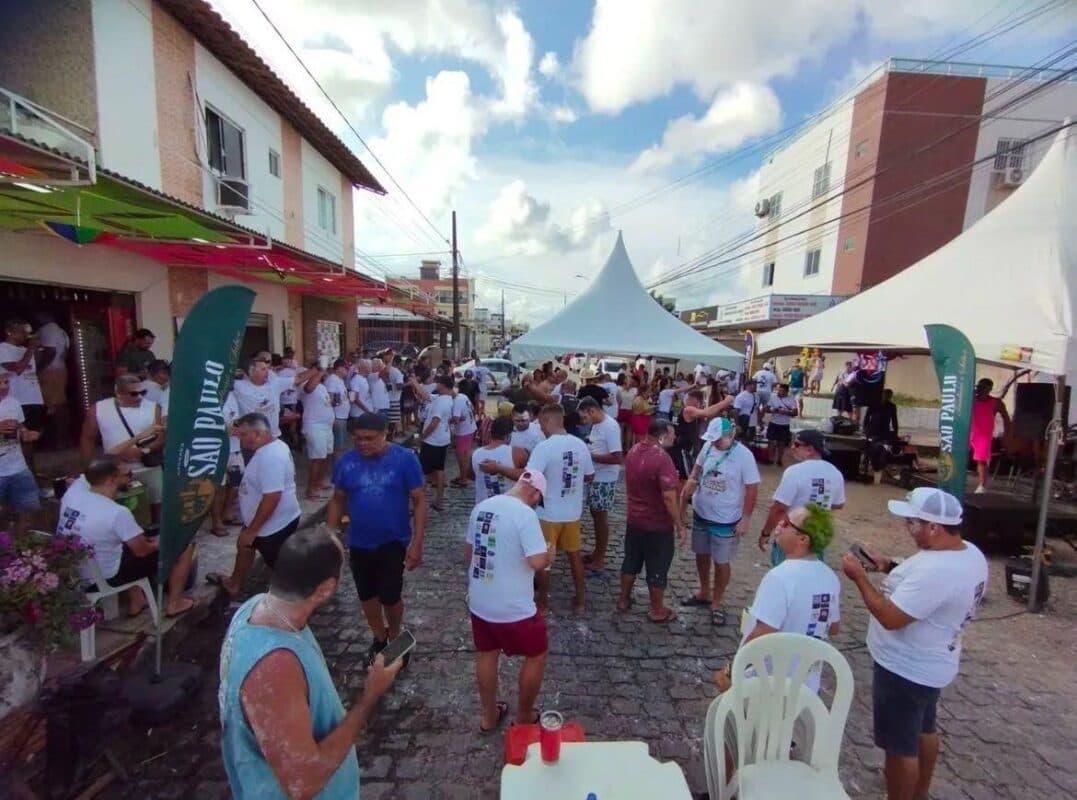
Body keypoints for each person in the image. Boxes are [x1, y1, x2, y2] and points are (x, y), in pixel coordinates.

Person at [219, 527, 402, 799]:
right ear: (325, 589)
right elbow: (302, 783)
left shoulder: (257, 607)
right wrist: (370, 695)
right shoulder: (274, 667)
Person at [840, 488, 987, 800]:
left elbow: (890, 617)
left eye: (912, 523)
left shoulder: (937, 570)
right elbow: (924, 586)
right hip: (934, 661)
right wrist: (886, 564)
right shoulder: (969, 553)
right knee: (924, 729)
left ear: (933, 527)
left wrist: (859, 578)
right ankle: (919, 793)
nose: (907, 528)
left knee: (899, 748)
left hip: (905, 668)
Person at [328, 412, 426, 667]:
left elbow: (419, 500)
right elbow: (338, 499)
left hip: (393, 541)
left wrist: (417, 543)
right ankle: (379, 637)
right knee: (366, 594)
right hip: (359, 542)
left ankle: (395, 636)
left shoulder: (405, 460)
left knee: (391, 597)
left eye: (370, 438)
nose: (363, 444)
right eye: (358, 439)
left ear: (385, 434)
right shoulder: (346, 462)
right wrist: (330, 535)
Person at [466, 470, 553, 732]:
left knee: (487, 653)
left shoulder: (482, 507)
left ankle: (489, 716)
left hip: (480, 601)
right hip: (513, 607)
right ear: (535, 493)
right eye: (539, 501)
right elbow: (536, 562)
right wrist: (549, 555)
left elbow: (468, 553)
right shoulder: (525, 514)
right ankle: (524, 716)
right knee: (537, 654)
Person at [59, 455, 194, 616]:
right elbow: (142, 551)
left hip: (76, 571)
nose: (132, 478)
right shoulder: (117, 513)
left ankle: (137, 601)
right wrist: (160, 542)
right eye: (128, 474)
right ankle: (175, 604)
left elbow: (86, 474)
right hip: (104, 577)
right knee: (184, 546)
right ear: (111, 480)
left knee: (123, 540)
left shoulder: (74, 491)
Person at [208, 413, 302, 597]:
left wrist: (252, 531)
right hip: (266, 520)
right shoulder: (274, 445)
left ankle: (294, 600)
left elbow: (272, 497)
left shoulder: (270, 457)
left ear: (258, 434)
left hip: (272, 526)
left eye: (244, 435)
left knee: (281, 568)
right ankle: (234, 583)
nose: (240, 439)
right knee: (244, 546)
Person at [681, 417, 760, 626]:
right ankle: (704, 591)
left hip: (726, 519)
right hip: (701, 512)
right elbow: (697, 468)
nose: (715, 442)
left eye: (719, 439)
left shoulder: (744, 456)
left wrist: (746, 518)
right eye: (713, 438)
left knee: (722, 561)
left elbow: (752, 489)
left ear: (731, 435)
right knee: (701, 553)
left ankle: (716, 602)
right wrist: (692, 480)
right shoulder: (708, 446)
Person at [526, 404, 595, 613]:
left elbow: (530, 478)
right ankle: (580, 601)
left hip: (548, 514)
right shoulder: (580, 444)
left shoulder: (544, 447)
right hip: (572, 512)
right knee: (575, 556)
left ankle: (542, 604)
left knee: (545, 561)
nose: (540, 428)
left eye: (541, 423)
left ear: (548, 421)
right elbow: (590, 475)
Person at [619, 418, 686, 622]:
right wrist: (680, 524)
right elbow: (669, 497)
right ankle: (658, 610)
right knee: (658, 567)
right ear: (662, 436)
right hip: (657, 524)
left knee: (631, 561)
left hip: (634, 519)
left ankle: (623, 599)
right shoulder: (662, 458)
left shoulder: (633, 451)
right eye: (672, 434)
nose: (675, 438)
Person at [79, 374, 165, 521]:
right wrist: (88, 467)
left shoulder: (153, 407)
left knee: (156, 505)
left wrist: (143, 451)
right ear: (118, 393)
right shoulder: (99, 409)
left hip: (148, 467)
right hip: (114, 471)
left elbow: (161, 438)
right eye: (134, 394)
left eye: (143, 392)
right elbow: (88, 438)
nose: (139, 397)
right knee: (116, 506)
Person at [758, 429, 846, 567]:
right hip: (817, 535)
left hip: (792, 535)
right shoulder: (835, 472)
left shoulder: (794, 472)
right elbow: (838, 504)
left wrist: (766, 533)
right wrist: (818, 503)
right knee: (812, 573)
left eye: (797, 444)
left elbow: (779, 508)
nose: (792, 447)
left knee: (785, 574)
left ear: (810, 449)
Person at [577, 397, 623, 574]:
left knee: (600, 518)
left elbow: (617, 457)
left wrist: (590, 456)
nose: (583, 421)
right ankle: (597, 553)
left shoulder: (610, 426)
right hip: (595, 476)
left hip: (604, 478)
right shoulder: (597, 425)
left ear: (592, 411)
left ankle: (600, 559)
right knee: (595, 515)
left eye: (584, 417)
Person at [233, 359, 315, 441]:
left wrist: (316, 369)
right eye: (263, 369)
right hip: (252, 440)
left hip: (274, 437)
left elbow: (298, 378)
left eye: (267, 368)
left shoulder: (275, 383)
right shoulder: (238, 386)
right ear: (251, 372)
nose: (267, 372)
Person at [0, 373, 41, 533]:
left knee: (29, 513)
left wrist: (26, 433)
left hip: (19, 468)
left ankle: (22, 545)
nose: (4, 387)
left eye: (6, 382)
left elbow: (20, 426)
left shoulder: (13, 402)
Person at [33, 311, 70, 446]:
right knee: (58, 404)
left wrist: (39, 368)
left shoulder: (48, 329)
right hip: (59, 370)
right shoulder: (61, 331)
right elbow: (64, 353)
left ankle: (61, 439)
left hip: (50, 372)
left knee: (54, 405)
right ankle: (62, 438)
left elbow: (50, 352)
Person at [969, 379, 1010, 494]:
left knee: (981, 460)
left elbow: (1006, 419)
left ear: (989, 389)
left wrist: (1006, 435)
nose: (980, 389)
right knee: (960, 457)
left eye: (984, 387)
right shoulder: (970, 400)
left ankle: (982, 485)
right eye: (979, 387)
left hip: (983, 436)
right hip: (968, 432)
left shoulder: (996, 402)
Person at [420, 375, 454, 511]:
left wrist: (422, 437)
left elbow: (435, 422)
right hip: (443, 439)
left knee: (423, 472)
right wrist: (414, 382)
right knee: (439, 469)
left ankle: (420, 502)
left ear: (441, 385)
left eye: (437, 383)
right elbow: (426, 396)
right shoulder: (447, 399)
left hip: (432, 440)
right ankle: (439, 500)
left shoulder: (441, 402)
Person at [301, 366, 335, 500]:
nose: (326, 372)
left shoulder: (322, 386)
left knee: (326, 456)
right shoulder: (306, 384)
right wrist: (320, 371)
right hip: (315, 427)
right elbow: (309, 388)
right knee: (317, 458)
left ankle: (319, 482)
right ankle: (311, 489)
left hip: (326, 427)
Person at [472, 417, 516, 504]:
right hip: (507, 505)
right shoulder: (516, 453)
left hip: (482, 505)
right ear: (508, 435)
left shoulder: (476, 453)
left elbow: (472, 475)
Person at [669, 389, 704, 480]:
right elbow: (707, 413)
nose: (687, 400)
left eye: (688, 398)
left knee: (681, 474)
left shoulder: (689, 410)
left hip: (681, 446)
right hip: (681, 448)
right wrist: (725, 402)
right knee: (684, 475)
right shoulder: (688, 410)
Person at [450, 381, 478, 489]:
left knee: (461, 456)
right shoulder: (463, 396)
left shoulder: (457, 401)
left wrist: (446, 420)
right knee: (465, 455)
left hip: (463, 432)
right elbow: (472, 409)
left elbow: (456, 420)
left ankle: (463, 480)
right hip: (471, 428)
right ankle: (463, 476)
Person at [764, 383, 799, 466]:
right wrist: (772, 410)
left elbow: (795, 413)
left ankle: (779, 459)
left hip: (784, 424)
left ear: (786, 392)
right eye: (778, 390)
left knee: (782, 443)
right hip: (773, 422)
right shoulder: (773, 397)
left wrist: (785, 412)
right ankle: (770, 459)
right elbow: (766, 409)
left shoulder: (791, 400)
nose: (779, 392)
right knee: (771, 441)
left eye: (781, 391)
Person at [324, 359, 351, 459]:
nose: (347, 370)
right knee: (338, 445)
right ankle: (337, 464)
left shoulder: (340, 380)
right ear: (339, 368)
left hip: (342, 416)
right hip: (337, 416)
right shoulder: (332, 379)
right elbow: (329, 398)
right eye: (346, 368)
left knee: (341, 443)